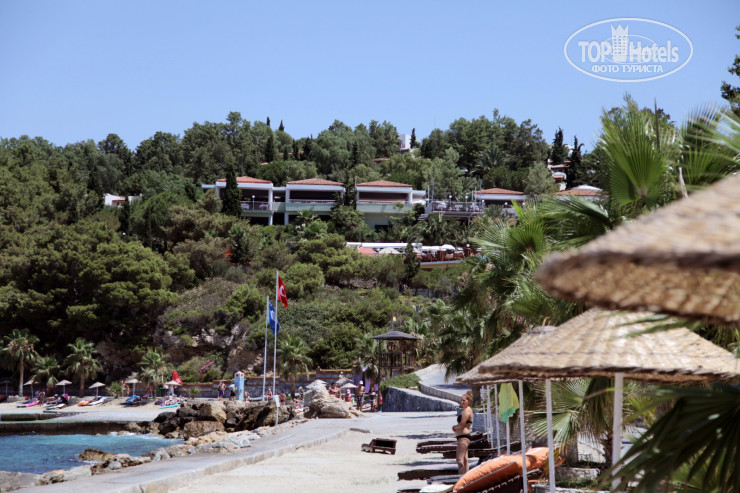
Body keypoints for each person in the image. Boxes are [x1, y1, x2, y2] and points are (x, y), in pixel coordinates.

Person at [453, 391, 474, 474]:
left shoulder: (467, 411)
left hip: (463, 437)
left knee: (459, 460)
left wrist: (454, 427)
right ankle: (466, 477)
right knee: (465, 460)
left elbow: (462, 424)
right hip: (463, 437)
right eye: (461, 400)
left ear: (468, 401)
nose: (462, 402)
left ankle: (461, 477)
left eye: (464, 400)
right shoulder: (466, 410)